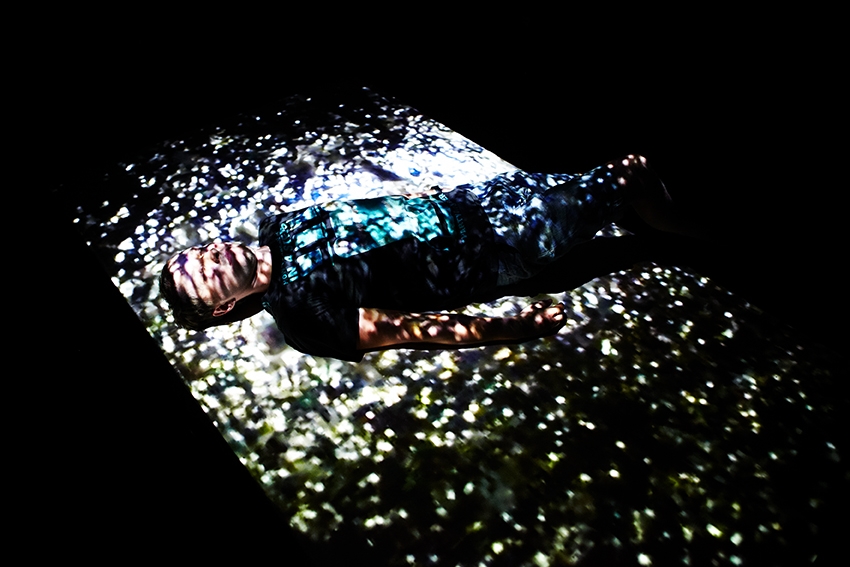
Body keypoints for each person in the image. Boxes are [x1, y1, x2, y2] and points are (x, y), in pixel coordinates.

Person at [160, 155, 692, 361]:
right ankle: (698, 231)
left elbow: (362, 214)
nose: (212, 255)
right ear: (224, 307)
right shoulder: (303, 316)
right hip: (502, 246)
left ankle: (673, 227)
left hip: (481, 199)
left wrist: (422, 196)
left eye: (200, 252)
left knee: (623, 209)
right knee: (628, 177)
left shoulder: (276, 227)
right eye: (206, 273)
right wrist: (514, 329)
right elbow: (413, 330)